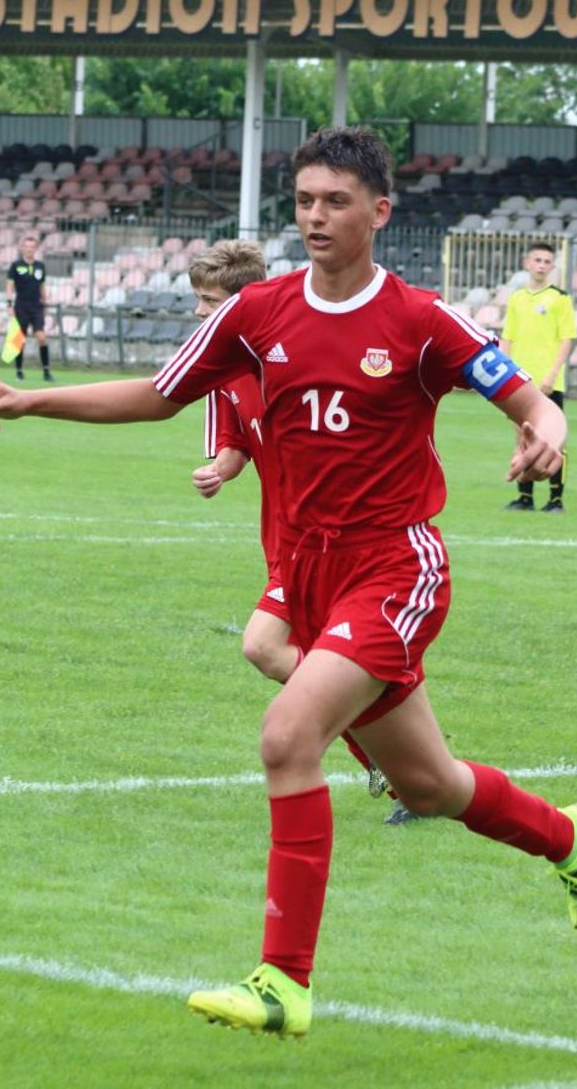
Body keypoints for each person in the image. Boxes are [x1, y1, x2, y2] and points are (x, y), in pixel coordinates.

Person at [0, 127, 577, 1039]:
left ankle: (283, 984)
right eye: (305, 200)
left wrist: (547, 430)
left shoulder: (420, 319)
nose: (316, 216)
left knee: (287, 735)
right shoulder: (256, 312)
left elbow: (528, 395)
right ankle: (569, 839)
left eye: (335, 201)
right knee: (430, 786)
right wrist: (32, 400)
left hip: (394, 565)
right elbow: (159, 393)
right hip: (306, 574)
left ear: (379, 212)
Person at [186, 239, 394, 814]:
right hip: (284, 540)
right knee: (325, 658)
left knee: (264, 645)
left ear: (243, 302)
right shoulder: (222, 368)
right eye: (198, 300)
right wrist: (219, 470)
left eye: (210, 301)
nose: (200, 312)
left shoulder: (298, 352)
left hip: (334, 537)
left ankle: (387, 747)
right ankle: (394, 757)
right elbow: (236, 443)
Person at [499, 241, 576, 513]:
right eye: (537, 260)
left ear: (552, 267)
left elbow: (566, 339)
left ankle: (555, 500)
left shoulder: (560, 298)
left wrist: (552, 375)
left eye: (546, 262)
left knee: (554, 441)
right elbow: (507, 338)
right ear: (527, 263)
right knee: (523, 438)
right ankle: (525, 498)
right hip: (520, 382)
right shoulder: (517, 298)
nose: (541, 265)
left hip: (548, 382)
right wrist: (504, 373)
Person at [4, 235, 53, 382]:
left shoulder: (40, 266)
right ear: (22, 248)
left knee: (42, 337)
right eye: (27, 247)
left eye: (32, 247)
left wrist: (45, 302)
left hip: (36, 307)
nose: (29, 249)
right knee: (20, 340)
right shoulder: (16, 266)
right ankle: (19, 371)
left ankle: (46, 372)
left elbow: (42, 286)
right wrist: (9, 304)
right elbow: (10, 286)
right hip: (21, 306)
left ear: (35, 249)